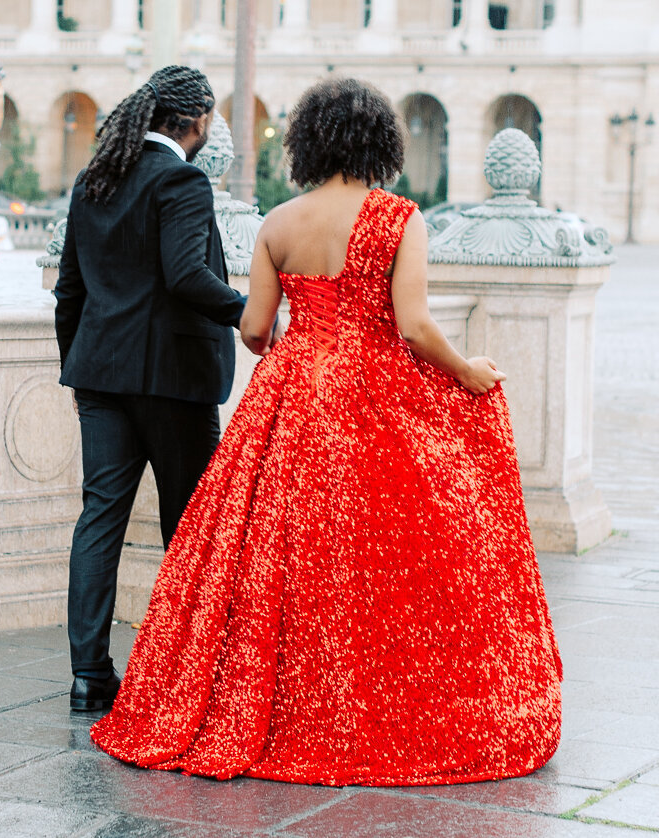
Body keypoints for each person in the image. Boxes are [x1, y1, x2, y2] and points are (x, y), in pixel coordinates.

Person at [93, 76, 562, 786]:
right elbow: (413, 327)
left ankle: (281, 701)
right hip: (373, 395)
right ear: (381, 140)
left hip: (290, 391)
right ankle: (362, 703)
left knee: (281, 552)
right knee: (383, 557)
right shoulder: (399, 217)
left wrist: (288, 343)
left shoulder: (278, 224)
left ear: (308, 141)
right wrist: (468, 373)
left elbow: (254, 328)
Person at [54, 64, 248, 714]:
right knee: (190, 528)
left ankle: (89, 675)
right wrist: (249, 312)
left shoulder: (94, 180)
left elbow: (70, 294)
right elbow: (186, 274)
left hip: (100, 376)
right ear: (196, 122)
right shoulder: (183, 179)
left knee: (99, 521)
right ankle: (189, 673)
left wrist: (78, 369)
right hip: (174, 381)